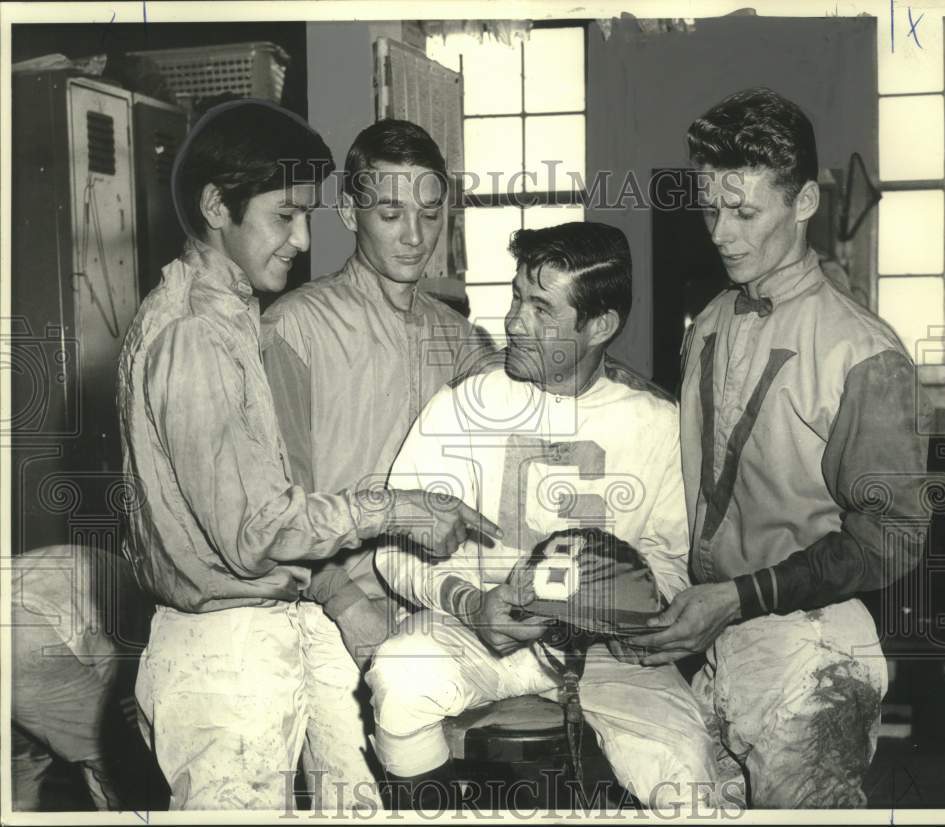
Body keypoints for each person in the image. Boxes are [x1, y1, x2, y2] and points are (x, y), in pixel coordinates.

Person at [116, 100, 498, 811]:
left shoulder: (225, 316)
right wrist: (383, 537)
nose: (299, 236)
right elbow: (260, 529)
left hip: (325, 628)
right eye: (285, 216)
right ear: (216, 207)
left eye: (431, 211)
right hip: (243, 638)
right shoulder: (230, 332)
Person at [627, 87, 932, 807]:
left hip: (811, 651)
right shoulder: (708, 322)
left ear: (802, 204)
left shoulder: (864, 351)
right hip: (719, 645)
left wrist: (737, 596)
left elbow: (895, 535)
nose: (721, 233)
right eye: (710, 209)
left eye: (744, 212)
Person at [367, 222, 718, 810]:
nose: (512, 322)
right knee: (400, 679)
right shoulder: (460, 405)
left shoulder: (657, 419)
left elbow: (673, 560)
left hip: (609, 652)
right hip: (478, 628)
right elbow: (394, 546)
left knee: (687, 772)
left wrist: (625, 610)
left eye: (540, 308)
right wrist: (468, 603)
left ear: (599, 325)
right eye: (514, 298)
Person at [259, 119, 493, 803]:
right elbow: (277, 501)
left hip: (440, 610)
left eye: (429, 213)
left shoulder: (457, 338)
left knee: (441, 797)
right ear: (350, 211)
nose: (415, 235)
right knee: (359, 802)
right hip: (333, 612)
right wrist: (345, 601)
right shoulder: (295, 328)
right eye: (391, 213)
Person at [10, 545, 156, 811]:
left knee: (22, 764)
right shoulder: (147, 595)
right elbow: (108, 664)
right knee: (110, 758)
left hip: (23, 621)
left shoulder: (102, 563)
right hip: (32, 635)